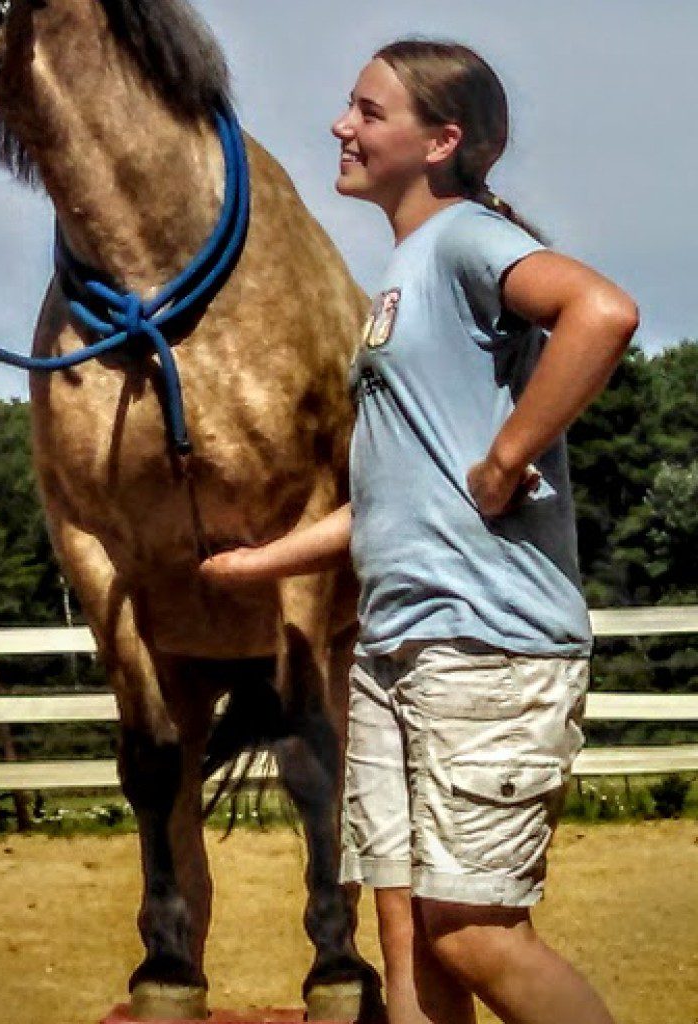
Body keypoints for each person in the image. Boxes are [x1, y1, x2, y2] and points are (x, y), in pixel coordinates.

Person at [200, 39, 638, 1024]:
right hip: (398, 654)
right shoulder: (402, 278)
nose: (339, 127)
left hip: (482, 649)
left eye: (366, 111)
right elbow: (393, 498)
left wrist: (506, 454)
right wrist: (257, 563)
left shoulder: (461, 242)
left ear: (441, 141)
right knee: (404, 932)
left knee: (471, 931)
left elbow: (601, 312)